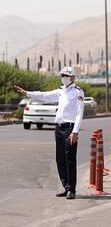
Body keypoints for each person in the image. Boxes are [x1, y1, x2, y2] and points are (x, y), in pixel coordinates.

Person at [14, 67, 85, 200]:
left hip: (69, 128)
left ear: (72, 77)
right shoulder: (60, 91)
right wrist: (26, 93)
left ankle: (72, 189)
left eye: (66, 75)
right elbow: (43, 95)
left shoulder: (77, 92)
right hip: (58, 128)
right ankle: (65, 187)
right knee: (60, 159)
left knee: (69, 159)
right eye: (62, 75)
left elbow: (79, 113)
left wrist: (75, 132)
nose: (63, 77)